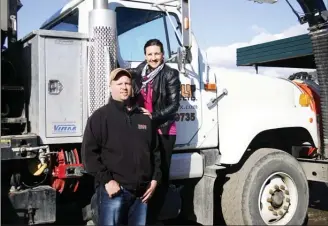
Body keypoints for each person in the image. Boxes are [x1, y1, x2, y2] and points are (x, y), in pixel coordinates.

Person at [81, 68, 162, 226]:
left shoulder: (143, 118)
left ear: (132, 87)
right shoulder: (100, 117)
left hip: (142, 195)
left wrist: (154, 180)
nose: (124, 87)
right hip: (115, 193)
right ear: (111, 86)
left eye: (127, 83)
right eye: (119, 83)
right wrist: (108, 181)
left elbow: (155, 152)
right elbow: (89, 154)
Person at [128, 39, 181, 223]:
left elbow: (174, 105)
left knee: (161, 176)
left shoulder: (170, 74)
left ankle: (160, 217)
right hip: (144, 130)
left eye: (157, 54)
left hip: (163, 130)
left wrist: (152, 116)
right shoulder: (138, 72)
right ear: (145, 56)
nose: (153, 58)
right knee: (144, 172)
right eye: (150, 54)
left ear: (163, 55)